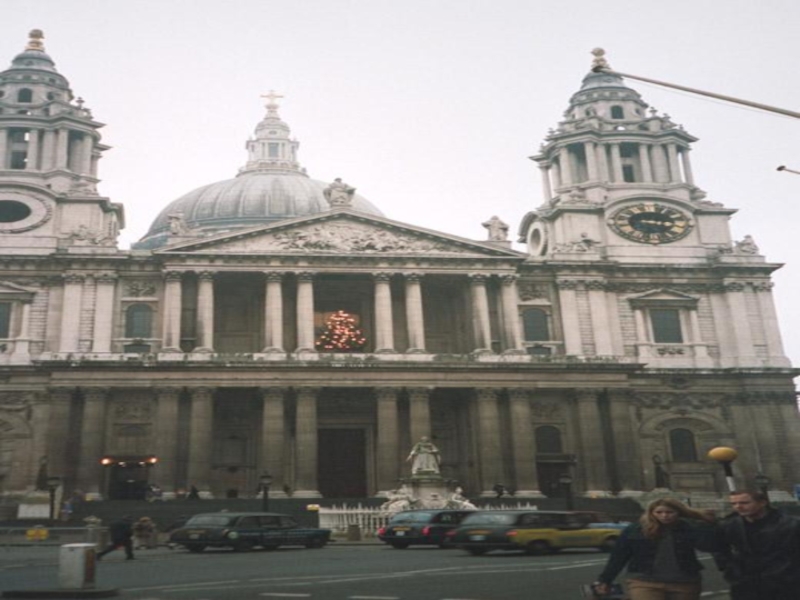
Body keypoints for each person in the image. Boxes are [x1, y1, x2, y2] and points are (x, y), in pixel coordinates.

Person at [594, 498, 719, 600]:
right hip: (644, 581)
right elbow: (618, 556)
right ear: (651, 513)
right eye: (659, 512)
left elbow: (709, 546)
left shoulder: (689, 527)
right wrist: (605, 580)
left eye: (669, 512)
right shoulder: (635, 529)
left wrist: (707, 525)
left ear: (679, 512)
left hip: (684, 582)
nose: (664, 516)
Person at [715, 489, 800, 600]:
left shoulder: (791, 524)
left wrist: (790, 571)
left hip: (785, 583)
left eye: (744, 503)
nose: (738, 507)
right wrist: (728, 568)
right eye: (734, 503)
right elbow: (718, 547)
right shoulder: (729, 525)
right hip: (745, 584)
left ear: (762, 502)